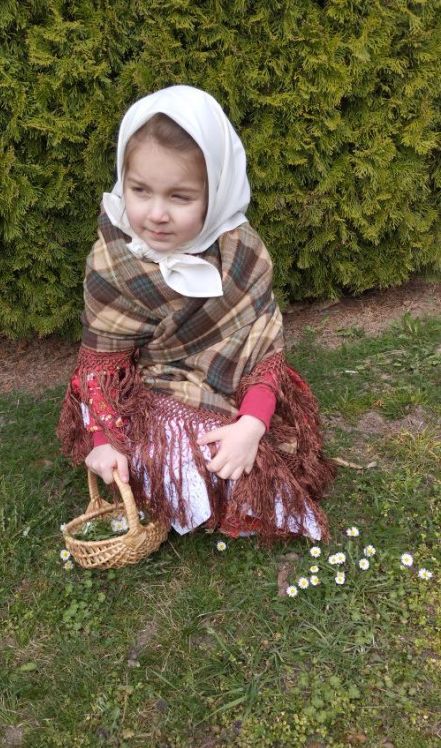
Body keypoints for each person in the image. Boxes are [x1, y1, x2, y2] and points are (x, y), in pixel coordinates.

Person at [57, 85, 336, 546]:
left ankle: (225, 481)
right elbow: (103, 367)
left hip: (232, 385)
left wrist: (251, 425)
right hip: (153, 389)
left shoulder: (241, 253)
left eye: (181, 197)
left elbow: (263, 352)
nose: (156, 214)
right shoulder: (113, 261)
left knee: (242, 452)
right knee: (177, 450)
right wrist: (105, 439)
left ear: (217, 191)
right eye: (140, 190)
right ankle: (182, 489)